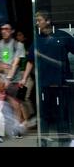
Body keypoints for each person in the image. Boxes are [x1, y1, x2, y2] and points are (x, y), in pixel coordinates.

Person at [20, 10, 74, 146]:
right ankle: (43, 141)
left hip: (61, 84)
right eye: (36, 20)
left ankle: (64, 141)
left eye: (39, 20)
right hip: (43, 85)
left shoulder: (62, 36)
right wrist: (24, 78)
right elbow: (30, 61)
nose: (37, 23)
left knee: (61, 115)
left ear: (48, 21)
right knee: (44, 116)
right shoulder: (37, 40)